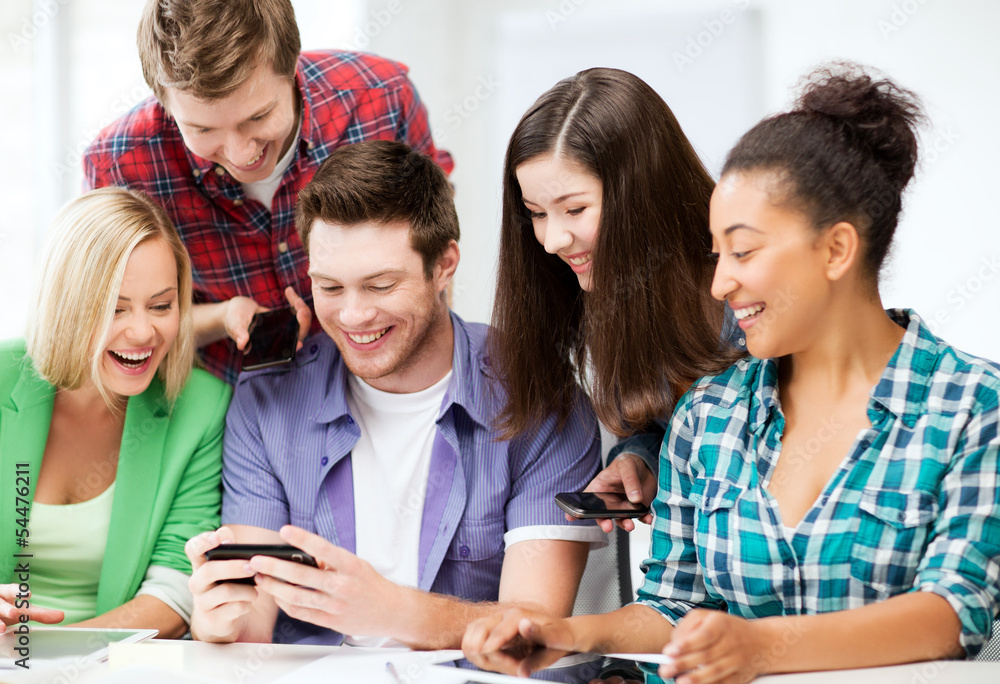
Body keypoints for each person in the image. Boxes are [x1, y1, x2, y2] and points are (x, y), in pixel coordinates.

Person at [462, 64, 1000, 681]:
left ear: (836, 249)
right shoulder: (707, 413)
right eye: (717, 255)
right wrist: (560, 633)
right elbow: (673, 606)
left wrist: (756, 646)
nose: (719, 283)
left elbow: (951, 613)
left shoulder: (973, 406)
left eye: (742, 252)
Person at [184, 140, 605, 648]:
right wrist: (218, 622)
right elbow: (253, 624)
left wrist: (390, 611)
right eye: (331, 288)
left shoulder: (541, 396)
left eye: (381, 285)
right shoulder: (266, 401)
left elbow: (535, 629)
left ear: (444, 265)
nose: (353, 316)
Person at [83, 0, 453, 384]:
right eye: (204, 130)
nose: (241, 154)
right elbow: (108, 326)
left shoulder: (383, 99)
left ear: (292, 66)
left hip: (382, 386)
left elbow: (431, 254)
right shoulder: (119, 166)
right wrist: (223, 317)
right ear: (164, 99)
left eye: (258, 117)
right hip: (220, 403)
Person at [490, 67, 742, 532]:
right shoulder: (609, 293)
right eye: (536, 214)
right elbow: (667, 429)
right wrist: (642, 460)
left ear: (642, 192)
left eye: (575, 209)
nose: (551, 240)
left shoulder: (750, 298)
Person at [0, 187, 231, 637]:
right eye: (114, 308)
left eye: (161, 306)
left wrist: (67, 657)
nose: (143, 332)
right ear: (67, 306)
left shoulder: (201, 407)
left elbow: (173, 589)